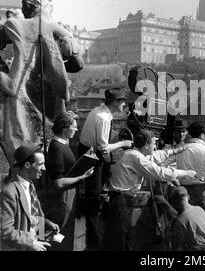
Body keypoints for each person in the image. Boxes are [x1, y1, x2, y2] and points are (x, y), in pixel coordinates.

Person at [0, 0, 83, 165]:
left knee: (22, 148)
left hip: (19, 91)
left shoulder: (14, 24)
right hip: (51, 96)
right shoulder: (57, 28)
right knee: (51, 145)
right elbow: (78, 63)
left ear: (28, 5)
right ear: (46, 5)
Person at [104, 129, 197, 251]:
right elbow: (158, 172)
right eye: (153, 143)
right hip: (121, 200)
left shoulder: (135, 154)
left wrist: (174, 151)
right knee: (122, 236)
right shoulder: (134, 157)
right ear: (146, 145)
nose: (155, 146)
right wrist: (185, 173)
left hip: (123, 199)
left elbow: (154, 156)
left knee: (123, 234)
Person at [77, 87, 132, 250]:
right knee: (93, 195)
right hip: (91, 154)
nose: (124, 105)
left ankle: (94, 228)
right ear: (116, 102)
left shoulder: (99, 111)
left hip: (89, 151)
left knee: (96, 190)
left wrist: (107, 160)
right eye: (122, 102)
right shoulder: (103, 118)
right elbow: (103, 148)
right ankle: (93, 237)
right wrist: (123, 144)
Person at [45, 111, 94, 250]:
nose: (76, 129)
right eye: (74, 126)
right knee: (57, 232)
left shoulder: (62, 144)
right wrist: (82, 176)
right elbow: (58, 182)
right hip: (62, 199)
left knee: (62, 233)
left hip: (67, 196)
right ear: (64, 128)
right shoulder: (57, 148)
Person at [1, 142, 60, 251]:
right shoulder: (9, 192)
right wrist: (30, 243)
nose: (44, 168)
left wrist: (46, 223)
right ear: (27, 165)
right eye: (40, 164)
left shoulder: (30, 185)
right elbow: (5, 231)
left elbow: (31, 214)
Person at [168, 186, 205, 251]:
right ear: (188, 197)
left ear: (173, 201)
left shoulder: (181, 221)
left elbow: (177, 245)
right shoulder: (199, 209)